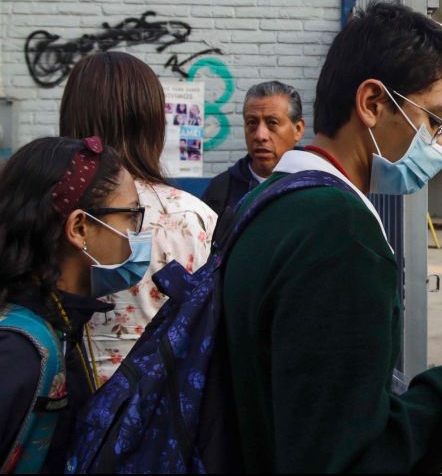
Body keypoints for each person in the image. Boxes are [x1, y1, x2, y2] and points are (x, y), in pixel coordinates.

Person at [222, 3, 442, 473]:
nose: (441, 145)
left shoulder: (267, 203)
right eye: (435, 120)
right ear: (372, 104)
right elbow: (355, 458)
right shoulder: (341, 234)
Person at [59, 51, 217, 382]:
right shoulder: (191, 217)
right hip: (157, 414)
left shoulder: (51, 207)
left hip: (60, 401)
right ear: (151, 122)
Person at [0, 136, 149, 472]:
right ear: (80, 228)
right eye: (131, 215)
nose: (139, 233)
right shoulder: (20, 351)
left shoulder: (59, 322)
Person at [202, 81, 306, 217]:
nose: (260, 135)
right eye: (252, 123)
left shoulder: (317, 184)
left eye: (272, 123)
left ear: (298, 129)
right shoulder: (220, 191)